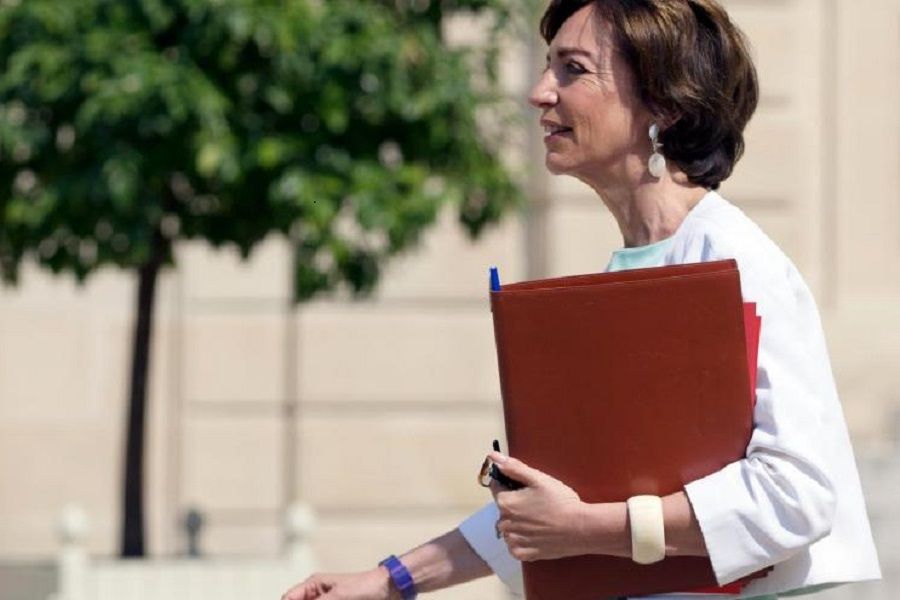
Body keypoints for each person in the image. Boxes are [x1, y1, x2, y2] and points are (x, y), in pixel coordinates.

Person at [282, 1, 881, 598]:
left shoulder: (740, 264)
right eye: (548, 68)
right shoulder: (632, 271)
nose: (540, 93)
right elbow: (559, 510)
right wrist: (393, 581)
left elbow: (797, 497)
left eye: (572, 69)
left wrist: (585, 528)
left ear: (665, 103)